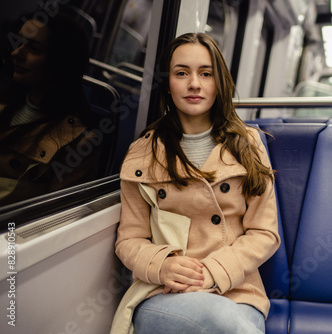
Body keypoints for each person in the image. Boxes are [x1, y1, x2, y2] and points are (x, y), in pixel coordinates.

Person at [112, 32, 280, 333]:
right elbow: (129, 240)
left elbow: (264, 232)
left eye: (206, 73)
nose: (194, 84)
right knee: (218, 321)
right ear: (168, 83)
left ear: (220, 83)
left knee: (225, 320)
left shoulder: (248, 144)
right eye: (181, 73)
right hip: (166, 292)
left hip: (237, 292)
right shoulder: (143, 153)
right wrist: (162, 265)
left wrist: (214, 271)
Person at [0, 11, 99, 206]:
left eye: (33, 48)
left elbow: (50, 216)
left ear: (60, 62)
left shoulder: (77, 142)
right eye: (18, 43)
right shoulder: (6, 102)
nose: (16, 53)